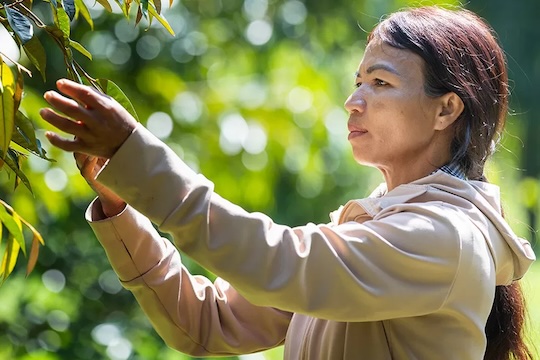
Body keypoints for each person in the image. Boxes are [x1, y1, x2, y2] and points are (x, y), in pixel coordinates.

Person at [40, 5, 535, 360]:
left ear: (446, 109)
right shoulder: (376, 229)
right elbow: (205, 323)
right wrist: (122, 206)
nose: (354, 100)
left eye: (380, 83)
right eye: (358, 80)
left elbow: (274, 259)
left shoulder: (444, 238)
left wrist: (137, 152)